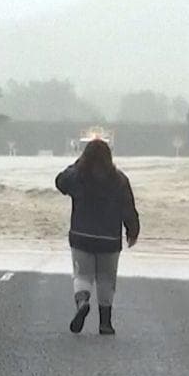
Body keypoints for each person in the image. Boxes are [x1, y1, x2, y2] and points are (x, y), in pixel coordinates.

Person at [55, 138, 140, 335]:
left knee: (82, 276)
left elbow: (60, 182)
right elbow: (128, 208)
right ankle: (105, 323)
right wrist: (132, 229)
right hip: (109, 239)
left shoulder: (77, 177)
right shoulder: (119, 180)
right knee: (106, 279)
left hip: (81, 236)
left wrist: (77, 165)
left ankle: (83, 301)